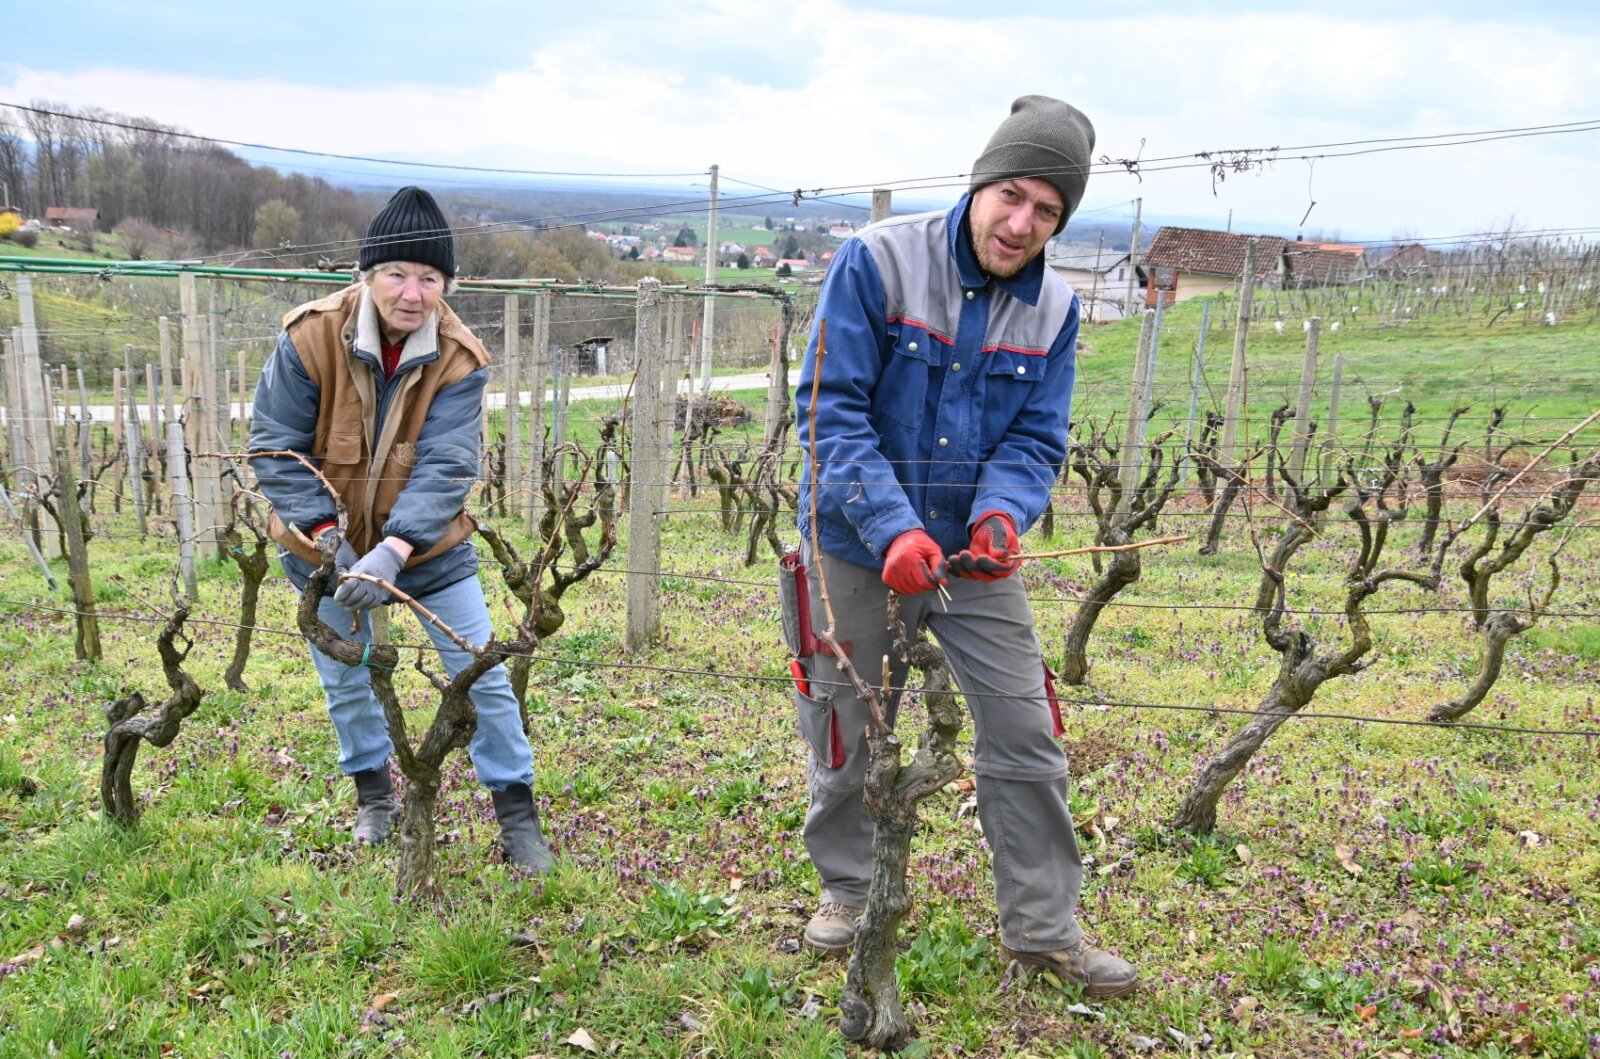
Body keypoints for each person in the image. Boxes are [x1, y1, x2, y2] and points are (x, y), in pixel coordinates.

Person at [786, 96, 1137, 997]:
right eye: (1011, 195)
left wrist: (1002, 514)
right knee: (845, 722)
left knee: (1026, 728)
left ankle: (1043, 928)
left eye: (1048, 211)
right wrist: (890, 525)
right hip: (853, 537)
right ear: (979, 183)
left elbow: (1034, 440)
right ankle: (849, 890)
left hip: (969, 560)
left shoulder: (1055, 310)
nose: (1022, 223)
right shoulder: (876, 262)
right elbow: (829, 410)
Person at [249, 186, 553, 873]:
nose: (412, 292)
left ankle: (517, 813)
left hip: (428, 550)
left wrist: (394, 548)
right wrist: (331, 540)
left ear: (446, 285)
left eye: (429, 277)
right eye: (397, 273)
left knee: (482, 674)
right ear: (366, 275)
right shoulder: (308, 336)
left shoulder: (459, 356)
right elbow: (275, 445)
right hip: (323, 547)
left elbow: (448, 464)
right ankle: (373, 797)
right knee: (346, 678)